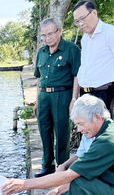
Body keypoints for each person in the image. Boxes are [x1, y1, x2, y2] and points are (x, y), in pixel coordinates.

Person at [33, 18, 80, 177]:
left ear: (60, 31)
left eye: (50, 34)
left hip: (62, 95)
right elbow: (38, 78)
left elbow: (76, 76)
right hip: (44, 95)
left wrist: (74, 99)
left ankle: (62, 167)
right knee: (44, 131)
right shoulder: (41, 52)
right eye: (43, 36)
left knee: (61, 132)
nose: (47, 38)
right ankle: (47, 166)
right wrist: (37, 100)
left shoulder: (71, 49)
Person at [72, 0, 114, 118]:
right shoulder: (85, 38)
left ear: (94, 13)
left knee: (102, 130)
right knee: (86, 130)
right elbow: (85, 65)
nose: (81, 24)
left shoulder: (111, 33)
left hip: (103, 92)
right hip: (85, 93)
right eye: (77, 21)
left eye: (83, 18)